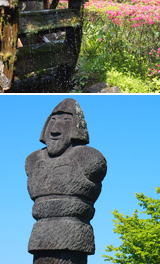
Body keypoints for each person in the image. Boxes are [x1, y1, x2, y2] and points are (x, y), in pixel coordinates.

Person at [26, 99, 106, 264]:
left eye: (66, 121)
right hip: (39, 235)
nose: (55, 128)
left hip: (73, 234)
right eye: (53, 120)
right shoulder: (33, 161)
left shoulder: (89, 158)